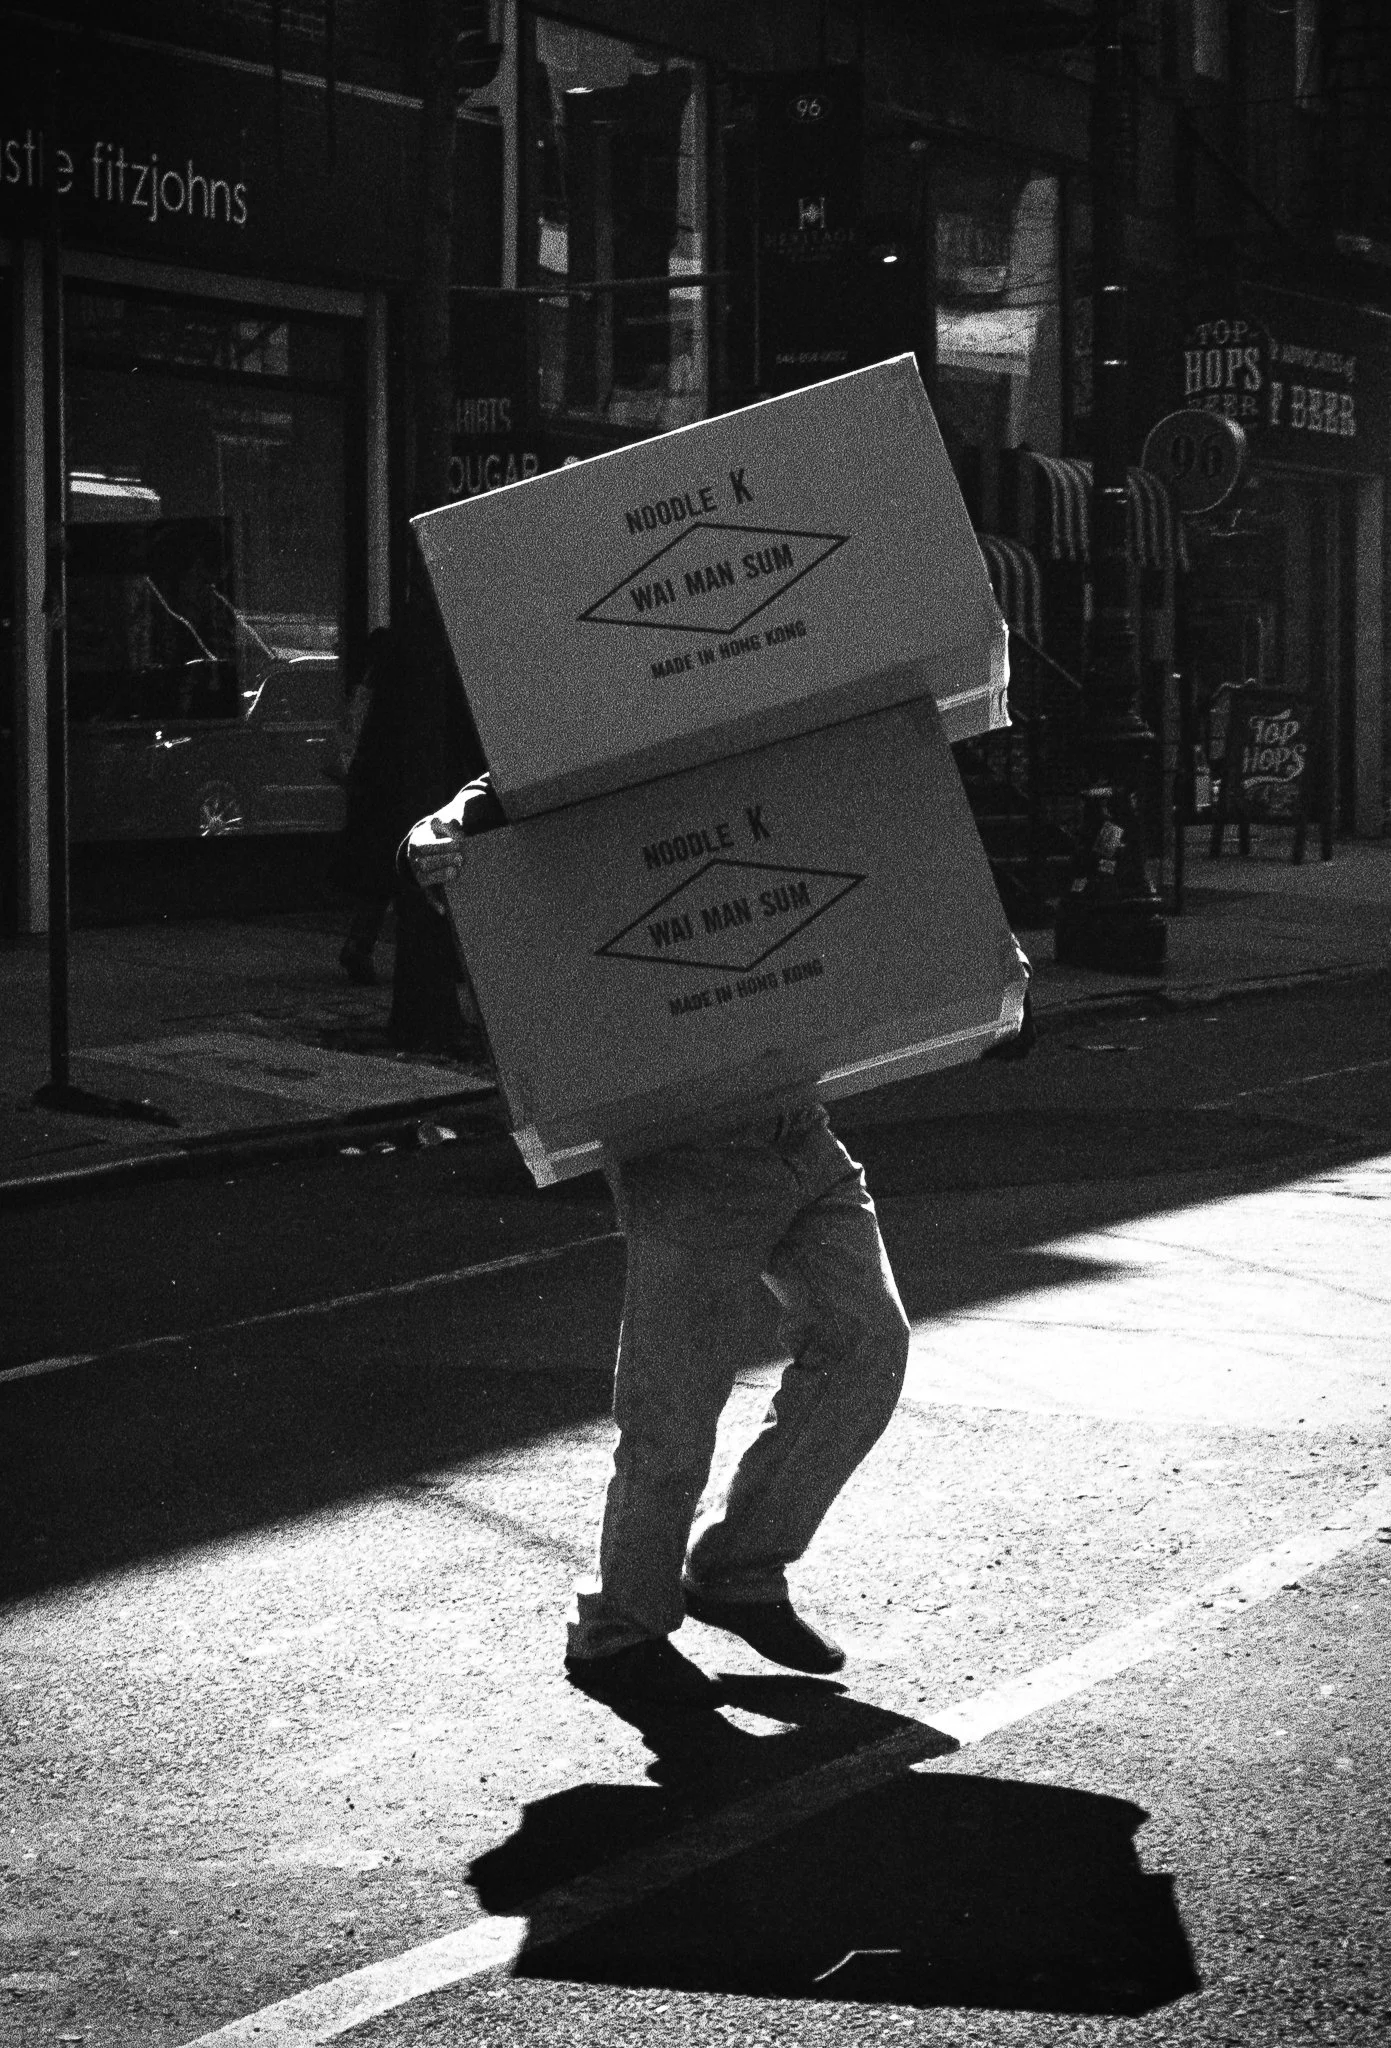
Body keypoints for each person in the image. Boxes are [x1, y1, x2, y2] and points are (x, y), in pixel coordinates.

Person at [404, 774, 921, 1709]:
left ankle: (737, 1573)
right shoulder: (612, 734)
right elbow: (468, 811)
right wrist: (429, 843)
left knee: (867, 1343)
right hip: (681, 1139)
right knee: (673, 1407)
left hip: (794, 1121)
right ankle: (621, 1631)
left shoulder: (771, 733)